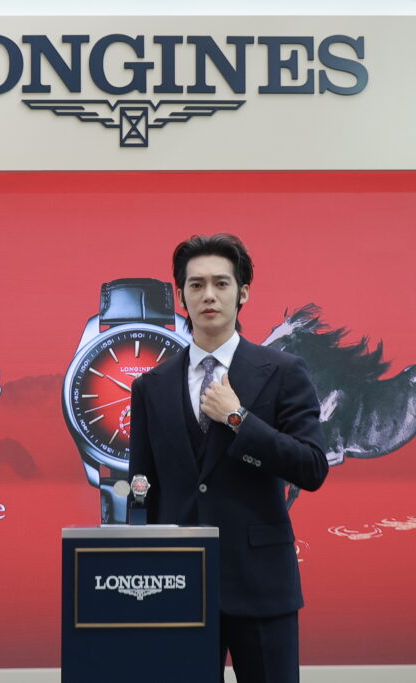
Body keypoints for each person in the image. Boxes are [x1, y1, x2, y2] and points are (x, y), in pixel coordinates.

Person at [129, 233, 329, 683]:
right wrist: (143, 578)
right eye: (196, 284)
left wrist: (239, 419)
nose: (209, 295)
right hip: (176, 586)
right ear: (181, 295)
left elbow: (312, 467)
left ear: (243, 293)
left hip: (261, 584)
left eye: (221, 283)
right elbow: (142, 492)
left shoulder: (283, 372)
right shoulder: (150, 387)